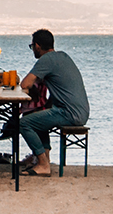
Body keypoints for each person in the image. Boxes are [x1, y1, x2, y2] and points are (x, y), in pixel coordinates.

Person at [9, 29, 86, 177]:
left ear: (37, 46)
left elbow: (25, 84)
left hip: (69, 113)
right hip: (80, 111)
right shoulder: (63, 57)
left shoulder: (46, 59)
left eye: (32, 47)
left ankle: (43, 164)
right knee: (39, 116)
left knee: (24, 123)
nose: (33, 50)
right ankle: (44, 159)